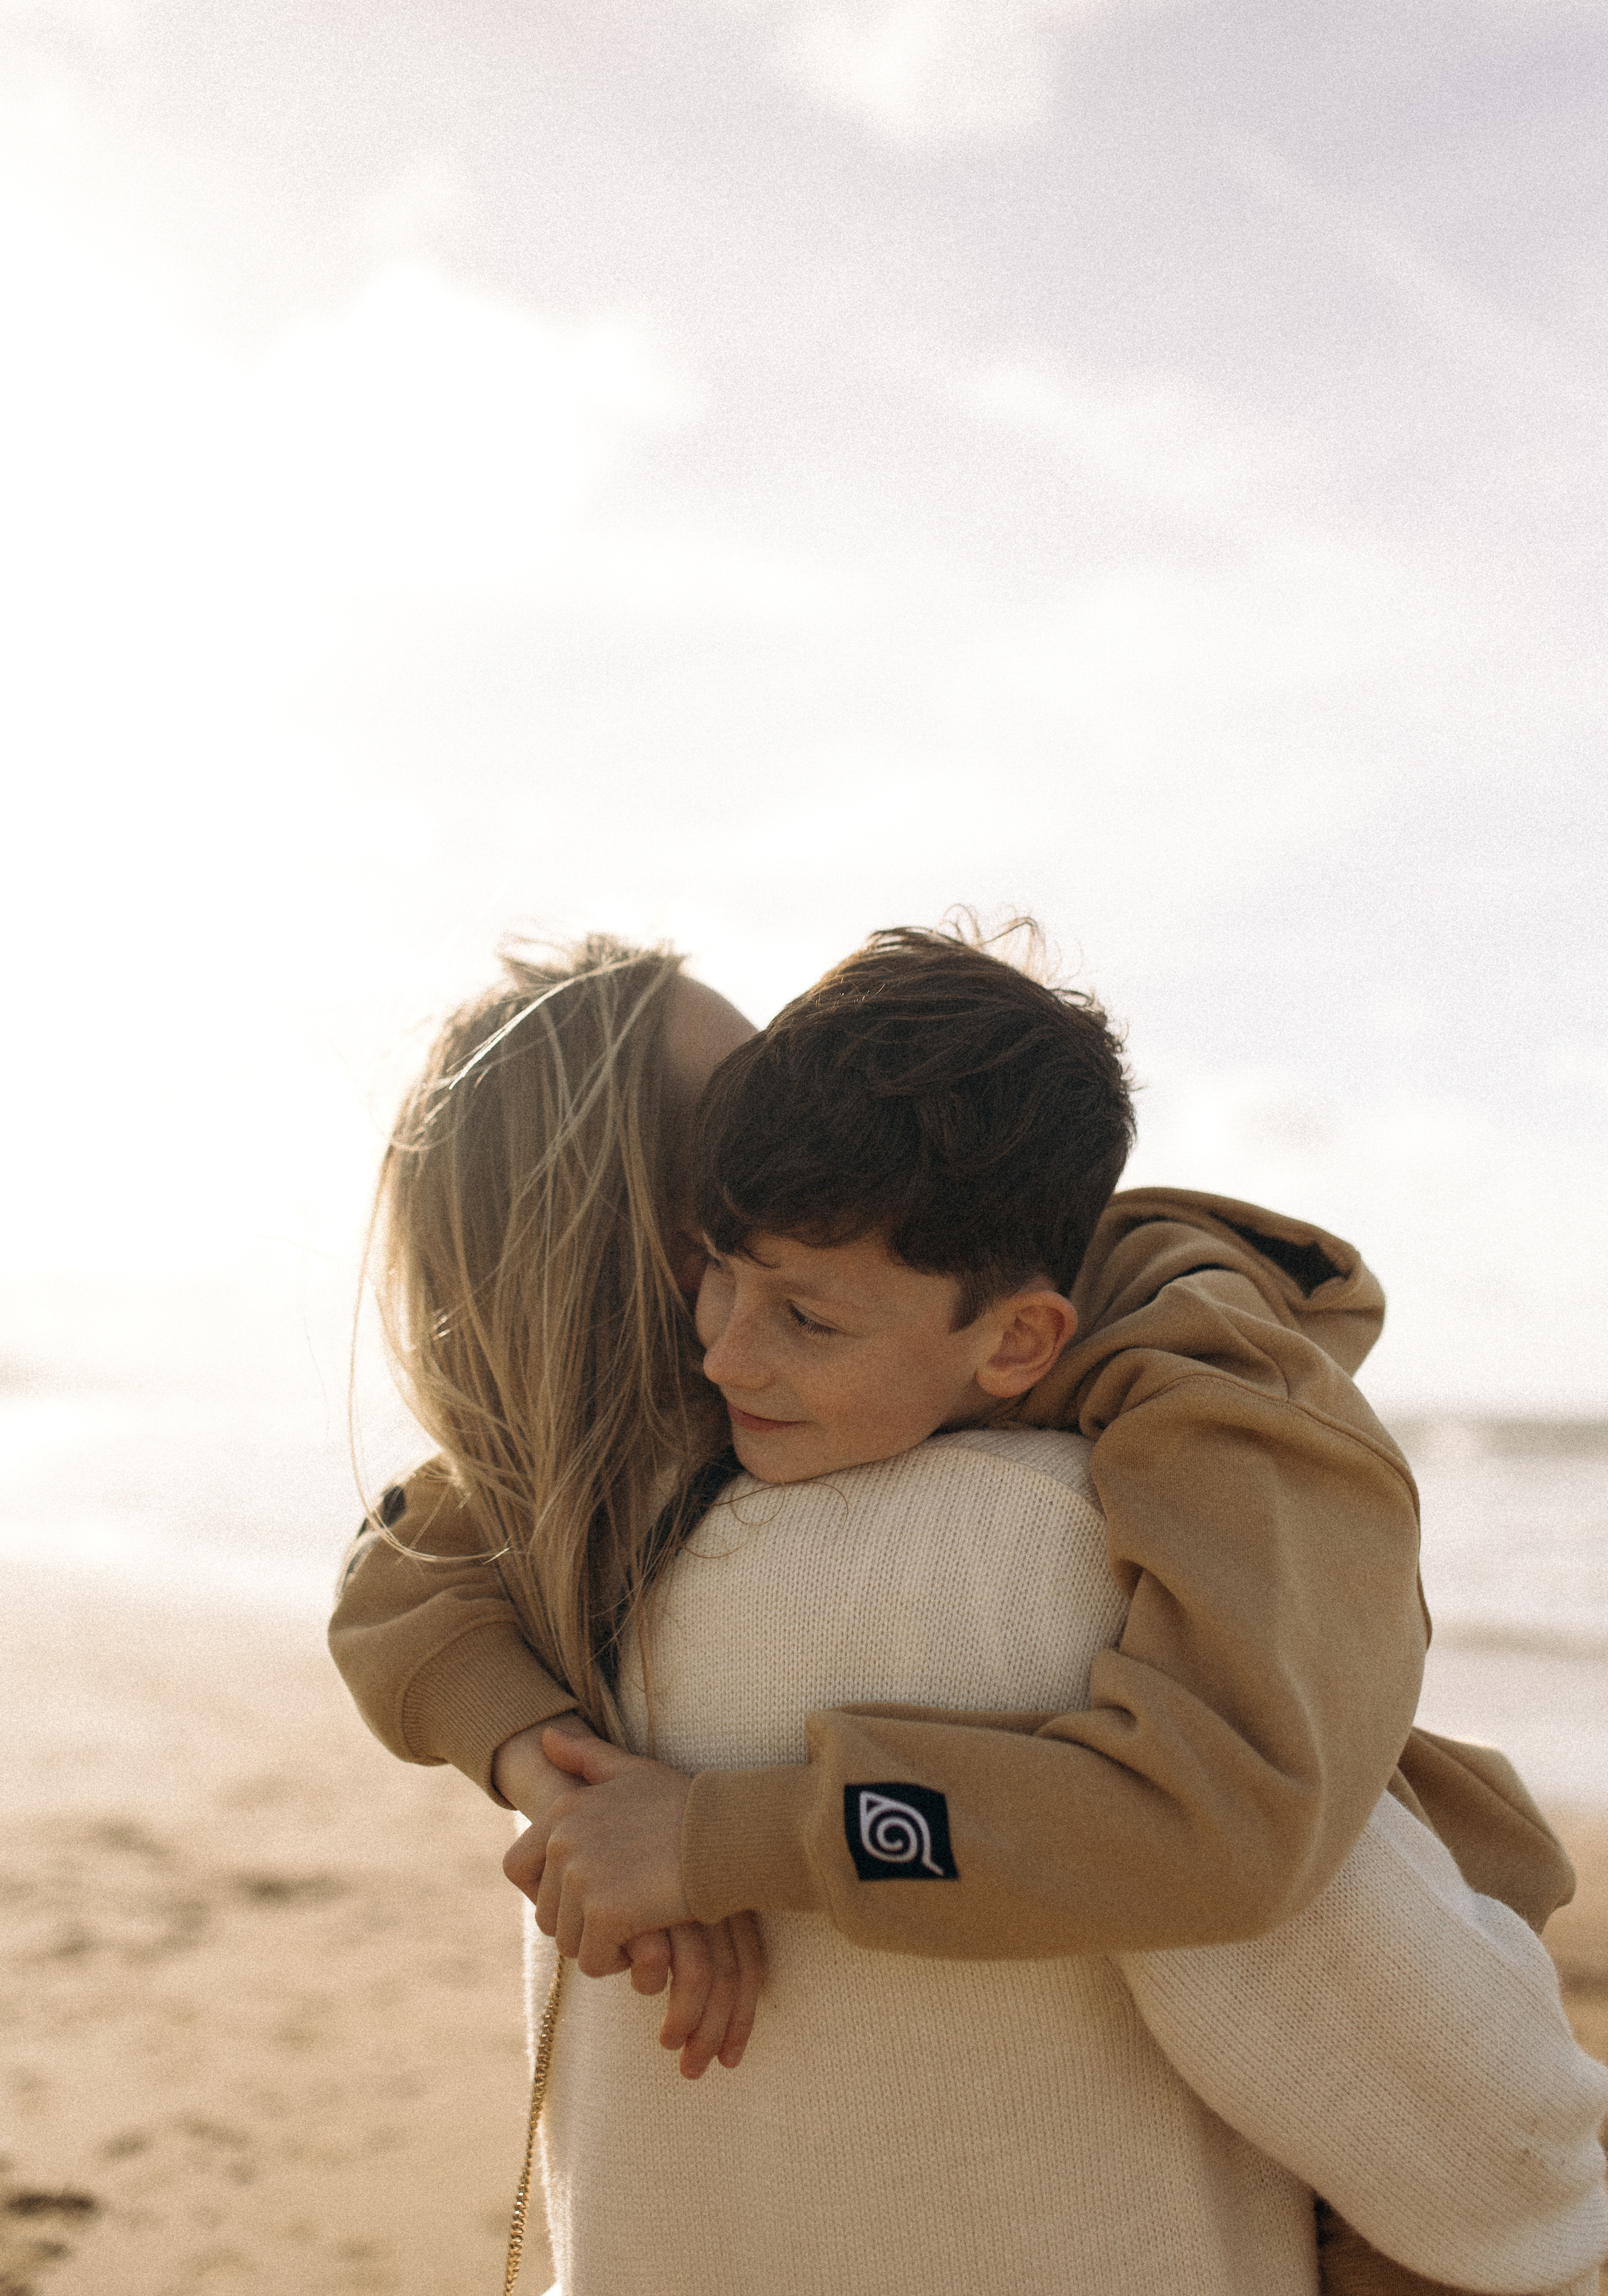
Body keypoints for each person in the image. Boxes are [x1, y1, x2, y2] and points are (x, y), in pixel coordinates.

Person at [329, 927, 1597, 2292]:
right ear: (664, 1234)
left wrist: (594, 1781)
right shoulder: (1029, 1546)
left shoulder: (572, 1579)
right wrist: (569, 1779)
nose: (790, 1115)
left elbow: (1236, 1798)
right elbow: (1436, 2097)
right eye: (734, 1133)